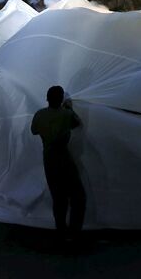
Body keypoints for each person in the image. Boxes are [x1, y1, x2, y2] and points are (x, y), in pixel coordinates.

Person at [31, 85, 86, 238]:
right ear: (61, 99)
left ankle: (61, 231)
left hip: (48, 158)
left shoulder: (39, 114)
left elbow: (34, 130)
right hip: (63, 157)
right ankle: (74, 232)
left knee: (58, 197)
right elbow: (77, 123)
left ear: (47, 99)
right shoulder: (66, 114)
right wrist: (68, 107)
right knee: (78, 196)